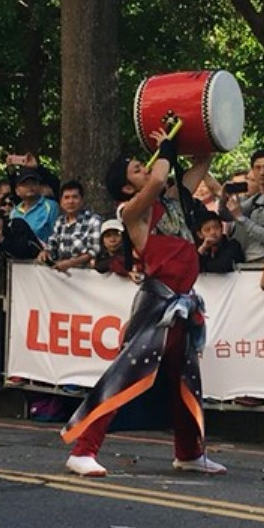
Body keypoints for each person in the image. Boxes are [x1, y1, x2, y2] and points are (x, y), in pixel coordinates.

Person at [59, 145, 226, 479]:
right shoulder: (133, 211)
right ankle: (83, 450)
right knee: (127, 374)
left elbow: (202, 160)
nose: (148, 169)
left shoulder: (174, 200)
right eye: (138, 169)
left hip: (181, 304)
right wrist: (167, 147)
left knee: (184, 379)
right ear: (126, 187)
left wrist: (197, 134)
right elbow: (159, 177)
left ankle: (189, 452)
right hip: (157, 305)